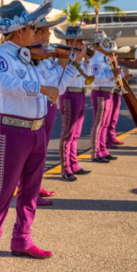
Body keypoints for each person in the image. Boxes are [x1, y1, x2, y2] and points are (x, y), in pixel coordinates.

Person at [0, 0, 71, 272]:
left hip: (36, 129)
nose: (37, 32)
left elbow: (56, 87)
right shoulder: (0, 55)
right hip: (11, 130)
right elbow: (7, 85)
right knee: (3, 191)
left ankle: (22, 239)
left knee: (30, 192)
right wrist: (42, 89)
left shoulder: (30, 56)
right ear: (19, 31)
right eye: (33, 28)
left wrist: (67, 65)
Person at [30, 14, 84, 204]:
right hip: (41, 105)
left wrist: (62, 61)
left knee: (42, 150)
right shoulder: (35, 57)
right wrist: (68, 62)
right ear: (37, 33)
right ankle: (31, 191)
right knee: (36, 152)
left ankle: (37, 185)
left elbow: (55, 81)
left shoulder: (44, 56)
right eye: (46, 31)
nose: (50, 35)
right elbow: (56, 85)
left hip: (48, 105)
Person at [54, 26, 94, 181]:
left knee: (76, 133)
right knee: (68, 133)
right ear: (71, 41)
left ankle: (74, 163)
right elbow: (71, 74)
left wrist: (87, 60)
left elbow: (88, 76)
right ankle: (65, 167)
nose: (83, 43)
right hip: (69, 94)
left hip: (81, 94)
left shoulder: (78, 55)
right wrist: (78, 59)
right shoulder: (65, 55)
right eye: (80, 41)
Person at [87, 31, 123, 163]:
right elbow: (95, 80)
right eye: (104, 42)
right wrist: (112, 73)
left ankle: (102, 150)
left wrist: (120, 74)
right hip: (100, 92)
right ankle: (96, 152)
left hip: (107, 91)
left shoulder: (104, 58)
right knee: (99, 124)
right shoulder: (96, 59)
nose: (107, 44)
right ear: (98, 44)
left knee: (105, 123)